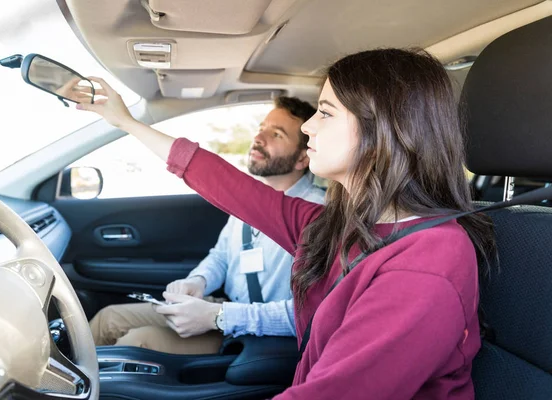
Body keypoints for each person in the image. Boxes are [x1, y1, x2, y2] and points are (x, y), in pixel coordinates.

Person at [78, 48, 496, 399]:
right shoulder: (335, 226)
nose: (310, 126)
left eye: (326, 113)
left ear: (384, 131)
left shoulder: (425, 264)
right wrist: (126, 122)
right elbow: (226, 184)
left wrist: (221, 317)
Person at [88, 96, 325, 355]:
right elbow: (222, 256)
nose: (259, 138)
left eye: (277, 134)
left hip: (260, 336)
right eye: (261, 129)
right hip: (224, 308)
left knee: (137, 342)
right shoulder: (250, 199)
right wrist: (198, 282)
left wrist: (218, 315)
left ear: (303, 158)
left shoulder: (317, 216)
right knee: (108, 319)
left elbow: (310, 315)